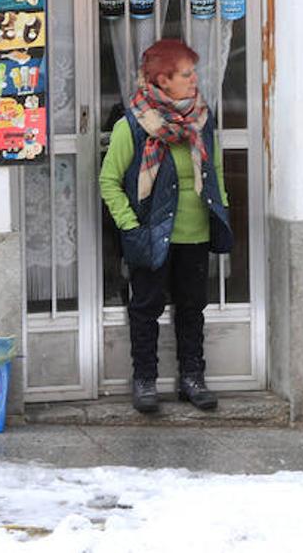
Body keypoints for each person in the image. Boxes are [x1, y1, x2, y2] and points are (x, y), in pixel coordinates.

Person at [99, 38, 232, 414]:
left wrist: (222, 207)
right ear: (162, 79)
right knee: (145, 308)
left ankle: (193, 379)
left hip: (196, 232)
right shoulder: (136, 126)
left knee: (192, 308)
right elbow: (108, 180)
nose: (194, 80)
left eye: (193, 73)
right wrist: (131, 226)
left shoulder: (202, 120)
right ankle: (144, 381)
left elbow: (215, 169)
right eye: (185, 74)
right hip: (151, 235)